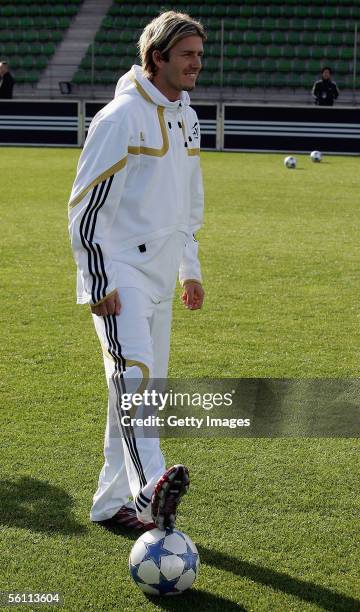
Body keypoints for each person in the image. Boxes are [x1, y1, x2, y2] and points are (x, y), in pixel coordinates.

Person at [68, 11, 206, 531]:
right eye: (187, 55)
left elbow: (189, 200)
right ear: (157, 58)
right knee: (137, 380)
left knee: (139, 390)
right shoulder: (120, 117)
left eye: (199, 55)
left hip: (161, 277)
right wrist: (100, 280)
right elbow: (85, 209)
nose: (197, 64)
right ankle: (149, 490)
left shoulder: (188, 117)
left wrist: (188, 268)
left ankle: (109, 502)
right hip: (118, 272)